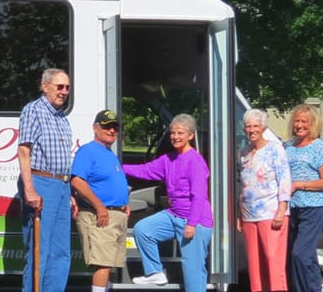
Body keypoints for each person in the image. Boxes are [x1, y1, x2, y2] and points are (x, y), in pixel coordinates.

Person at [125, 113, 214, 292]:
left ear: (190, 135)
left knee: (193, 271)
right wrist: (118, 167)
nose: (175, 137)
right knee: (143, 229)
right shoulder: (169, 159)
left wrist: (192, 224)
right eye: (173, 133)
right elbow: (145, 170)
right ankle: (155, 272)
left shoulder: (195, 161)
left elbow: (199, 196)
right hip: (174, 215)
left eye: (180, 133)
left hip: (195, 221)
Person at [16, 68, 74, 292]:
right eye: (59, 86)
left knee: (61, 251)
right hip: (42, 183)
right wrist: (29, 189)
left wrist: (69, 193)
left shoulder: (61, 117)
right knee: (40, 250)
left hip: (62, 185)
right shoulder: (34, 110)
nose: (64, 92)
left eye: (67, 87)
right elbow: (23, 151)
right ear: (45, 86)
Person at [69, 109, 131, 292]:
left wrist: (123, 203)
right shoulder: (88, 151)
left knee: (109, 264)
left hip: (115, 214)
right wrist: (99, 206)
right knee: (103, 263)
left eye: (115, 127)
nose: (112, 131)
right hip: (99, 215)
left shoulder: (110, 154)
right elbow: (77, 181)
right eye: (107, 127)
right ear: (95, 128)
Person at [238, 109, 292, 292]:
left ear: (263, 127)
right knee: (254, 263)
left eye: (255, 126)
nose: (251, 130)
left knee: (272, 258)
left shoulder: (275, 149)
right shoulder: (243, 153)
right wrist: (239, 214)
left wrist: (281, 208)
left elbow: (284, 179)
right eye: (248, 126)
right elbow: (243, 184)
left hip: (271, 212)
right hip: (248, 215)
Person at [284, 104, 323, 292]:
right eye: (297, 121)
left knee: (300, 254)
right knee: (299, 256)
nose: (299, 125)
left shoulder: (319, 147)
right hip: (291, 207)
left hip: (312, 207)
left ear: (313, 124)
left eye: (304, 121)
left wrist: (300, 185)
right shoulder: (287, 146)